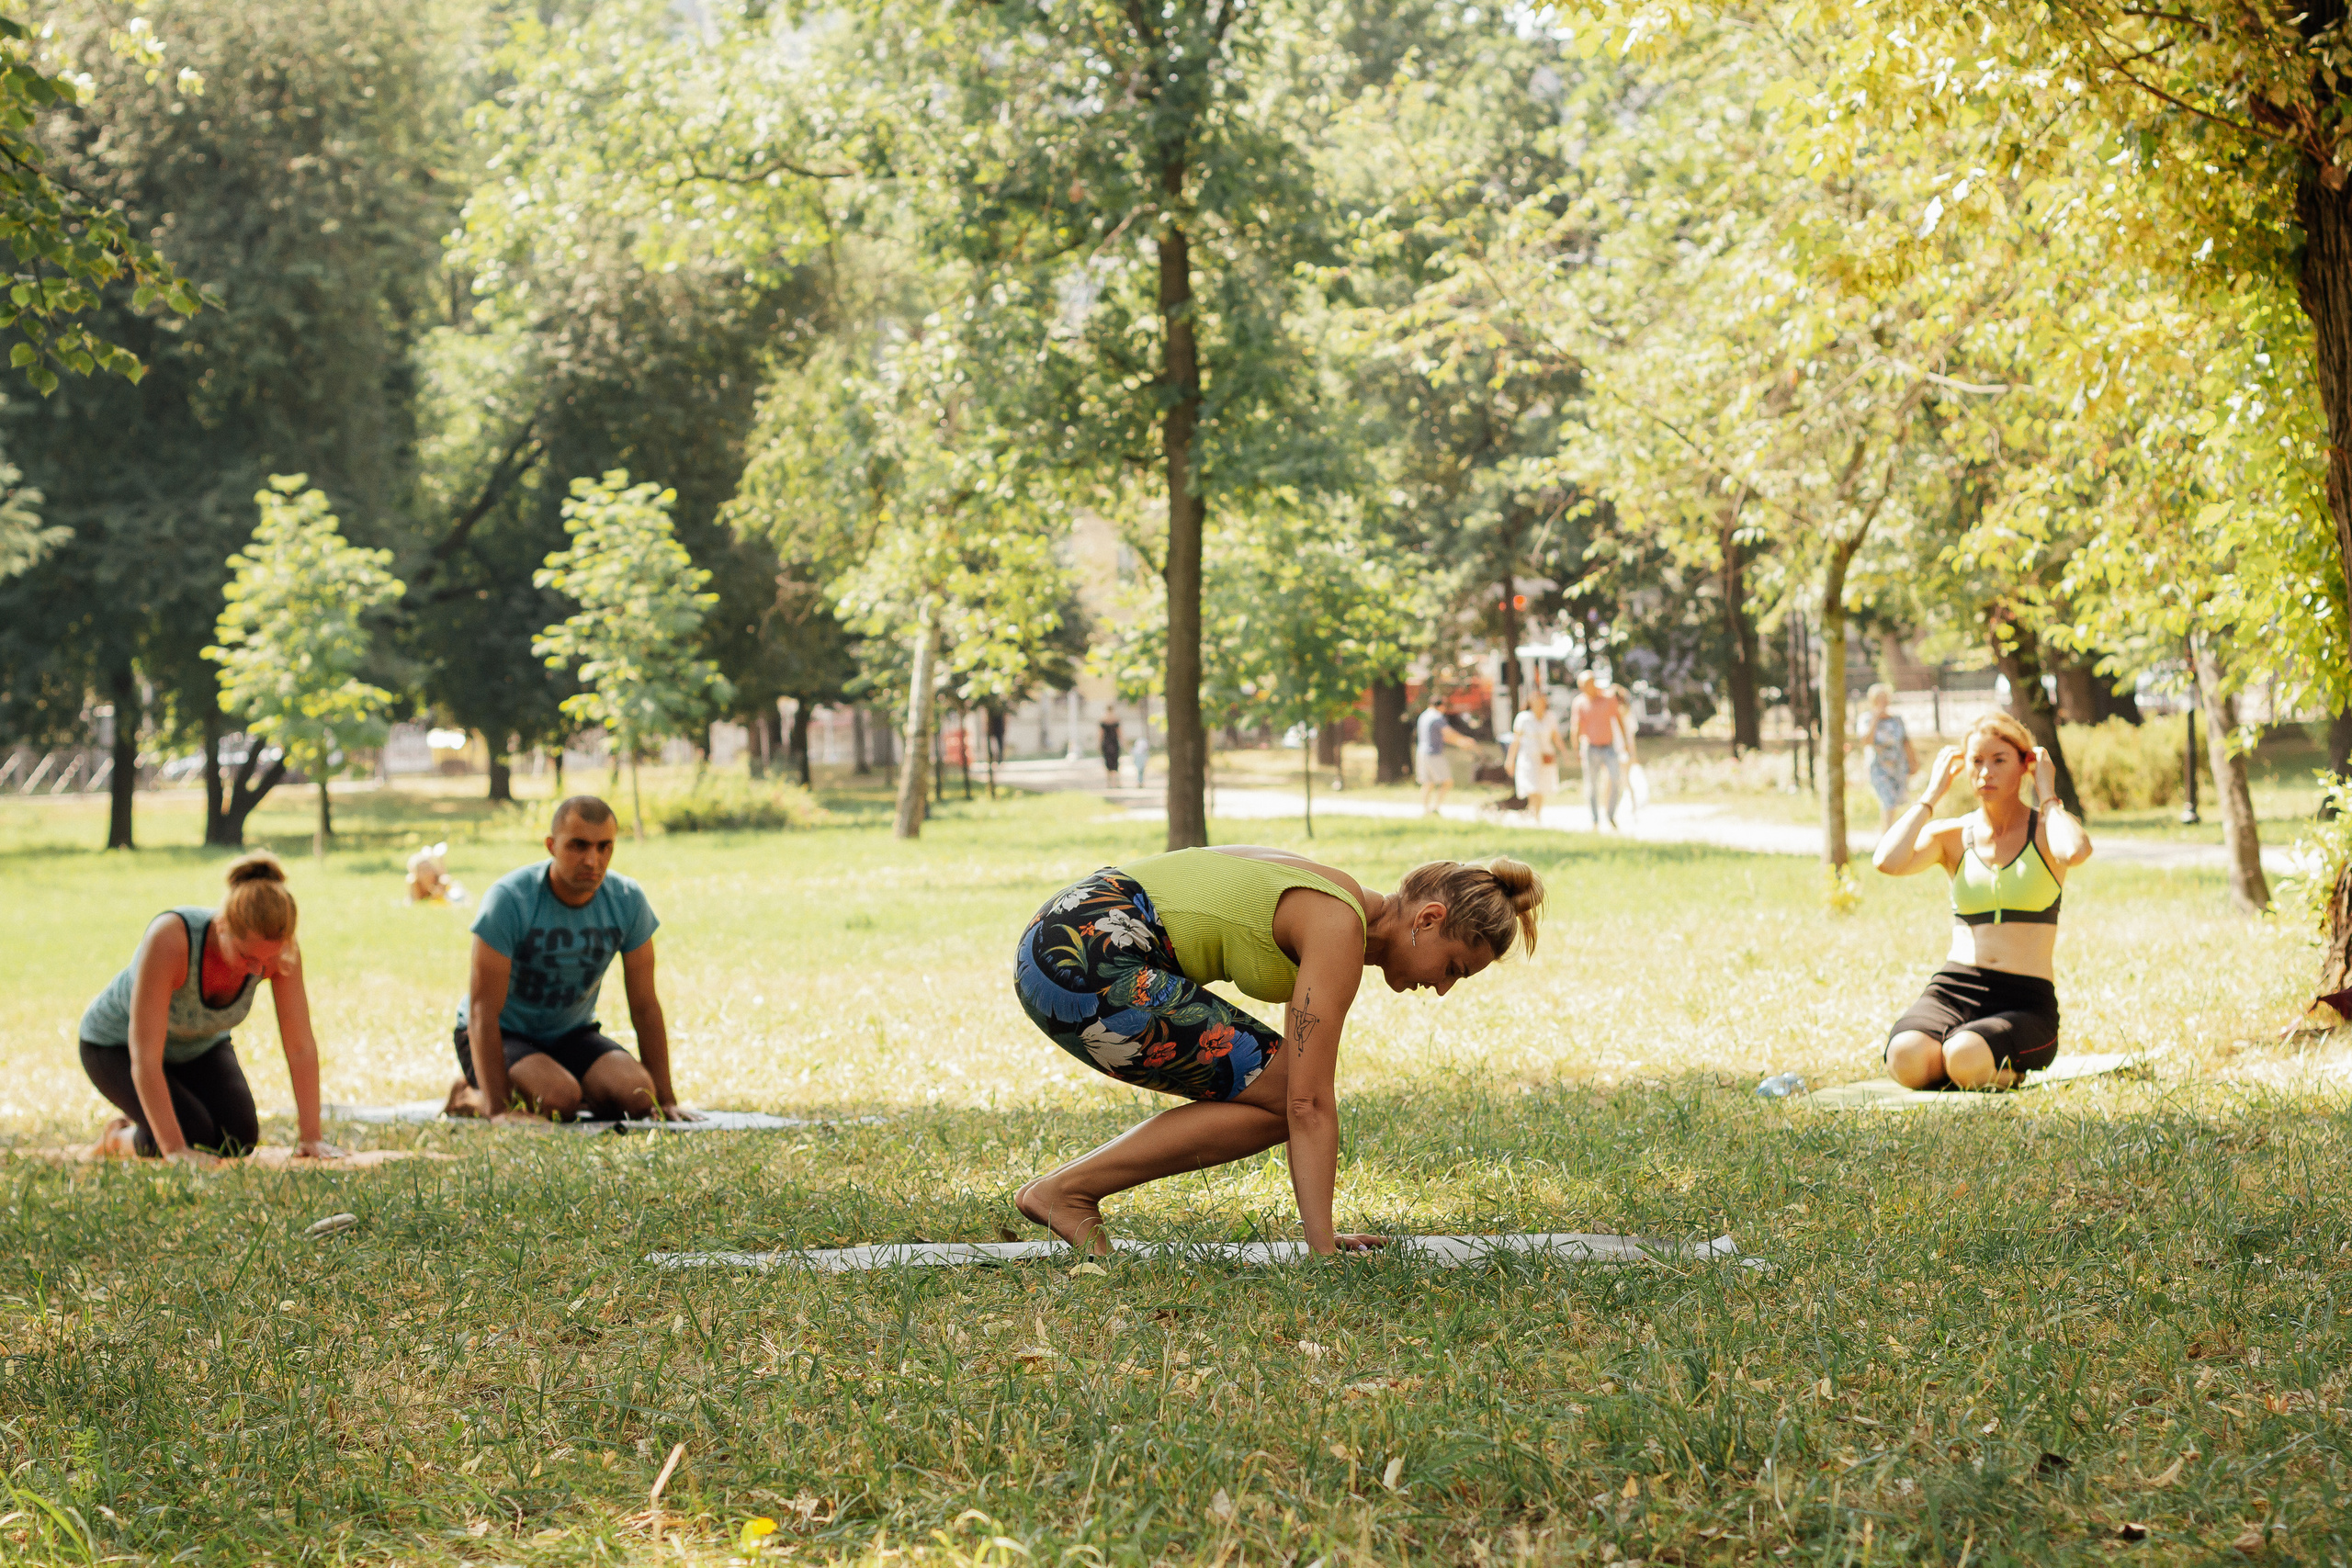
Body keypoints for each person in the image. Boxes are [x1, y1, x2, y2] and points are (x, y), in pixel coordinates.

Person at [1012, 847, 1544, 1256]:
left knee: (1285, 1089)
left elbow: (1298, 1088)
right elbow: (1307, 1104)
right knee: (1291, 1095)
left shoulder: (1336, 905)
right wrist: (1323, 1253)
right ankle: (1067, 1192)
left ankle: (1067, 1190)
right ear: (1427, 919)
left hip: (1058, 937)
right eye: (1452, 968)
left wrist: (1323, 1237)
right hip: (1085, 955)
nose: (1444, 989)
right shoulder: (1338, 925)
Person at [1871, 712, 2093, 1089]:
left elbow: (2075, 851)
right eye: (1976, 761)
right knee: (1905, 1058)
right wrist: (1930, 796)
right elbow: (1886, 862)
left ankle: (1980, 1067)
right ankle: (1958, 1063)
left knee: (1965, 1057)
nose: (1986, 772)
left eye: (1999, 760)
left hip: (2024, 999)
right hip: (1954, 988)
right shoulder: (1952, 836)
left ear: (2025, 764)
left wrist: (2047, 794)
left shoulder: (2047, 832)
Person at [444, 795, 699, 1122]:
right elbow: (482, 1011)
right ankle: (470, 1094)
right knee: (557, 1100)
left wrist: (665, 1099)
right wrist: (497, 1110)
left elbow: (645, 1006)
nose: (592, 860)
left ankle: (561, 1085)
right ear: (551, 846)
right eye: (578, 846)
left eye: (604, 847)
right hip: (502, 1034)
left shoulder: (627, 900)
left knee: (637, 1097)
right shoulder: (509, 900)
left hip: (570, 1033)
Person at [78, 852, 342, 1164]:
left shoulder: (279, 954)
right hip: (115, 1046)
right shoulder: (171, 940)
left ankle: (156, 1123)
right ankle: (118, 1138)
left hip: (196, 1046)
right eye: (247, 957)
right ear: (222, 926)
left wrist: (311, 1137)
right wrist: (175, 1150)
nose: (257, 970)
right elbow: (145, 1056)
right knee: (193, 1133)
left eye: (267, 959)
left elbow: (299, 1047)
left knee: (238, 1139)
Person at [1862, 683, 1917, 829]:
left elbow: (1906, 741)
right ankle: (1886, 836)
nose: (1882, 702)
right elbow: (1866, 741)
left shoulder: (1896, 720)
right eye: (1879, 699)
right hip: (1879, 768)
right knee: (1888, 801)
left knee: (1898, 802)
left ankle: (1895, 834)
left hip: (1898, 767)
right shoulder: (1866, 719)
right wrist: (1875, 718)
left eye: (1884, 698)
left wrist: (1913, 762)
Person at [1502, 687, 1563, 819]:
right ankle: (1533, 813)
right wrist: (1510, 759)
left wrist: (1564, 752)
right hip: (1528, 756)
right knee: (1531, 786)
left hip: (1545, 756)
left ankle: (1537, 814)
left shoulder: (1550, 717)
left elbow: (1555, 736)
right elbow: (1516, 741)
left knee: (1542, 786)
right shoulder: (1523, 718)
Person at [1415, 694, 1476, 815]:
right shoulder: (1437, 717)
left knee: (1428, 783)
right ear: (1441, 706)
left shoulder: (1423, 716)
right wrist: (1463, 740)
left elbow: (1439, 736)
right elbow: (1448, 733)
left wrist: (1459, 742)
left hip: (1422, 752)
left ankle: (1425, 810)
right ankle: (1435, 808)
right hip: (1434, 754)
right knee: (1447, 781)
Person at [1098, 714, 1123, 785]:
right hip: (1113, 743)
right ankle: (1115, 781)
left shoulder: (1104, 721)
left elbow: (1100, 735)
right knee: (1114, 762)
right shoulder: (1115, 720)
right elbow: (1120, 734)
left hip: (1108, 744)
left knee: (1109, 762)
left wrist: (1099, 744)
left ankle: (1110, 782)